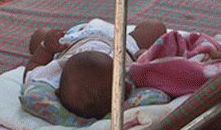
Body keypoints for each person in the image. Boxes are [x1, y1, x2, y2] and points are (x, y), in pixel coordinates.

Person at [22, 19, 167, 120]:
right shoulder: (129, 72)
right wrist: (144, 55)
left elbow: (32, 69)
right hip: (122, 43)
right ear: (127, 87)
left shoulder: (58, 70)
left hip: (74, 39)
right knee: (154, 27)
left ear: (57, 90)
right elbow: (152, 68)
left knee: (40, 35)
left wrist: (46, 48)